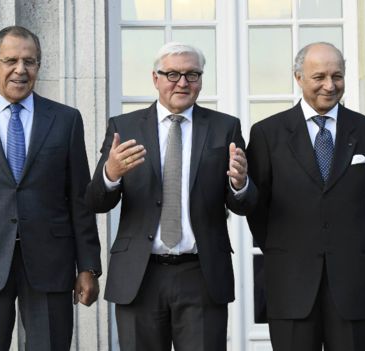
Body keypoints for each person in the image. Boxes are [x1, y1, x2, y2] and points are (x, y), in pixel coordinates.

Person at [0, 26, 101, 350]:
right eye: (11, 60)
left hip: (51, 262)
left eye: (30, 61)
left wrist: (88, 266)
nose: (20, 70)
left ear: (39, 66)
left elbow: (80, 200)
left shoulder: (66, 120)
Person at [85, 42, 257, 351]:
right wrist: (110, 173)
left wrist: (240, 183)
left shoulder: (224, 128)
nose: (182, 82)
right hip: (140, 274)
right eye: (173, 74)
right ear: (155, 78)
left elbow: (243, 204)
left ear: (201, 80)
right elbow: (97, 201)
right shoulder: (124, 127)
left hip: (201, 274)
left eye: (192, 74)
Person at [246, 42, 365, 351]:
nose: (330, 85)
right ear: (298, 77)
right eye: (319, 76)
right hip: (289, 281)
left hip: (352, 282)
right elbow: (257, 210)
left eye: (337, 76)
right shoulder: (266, 134)